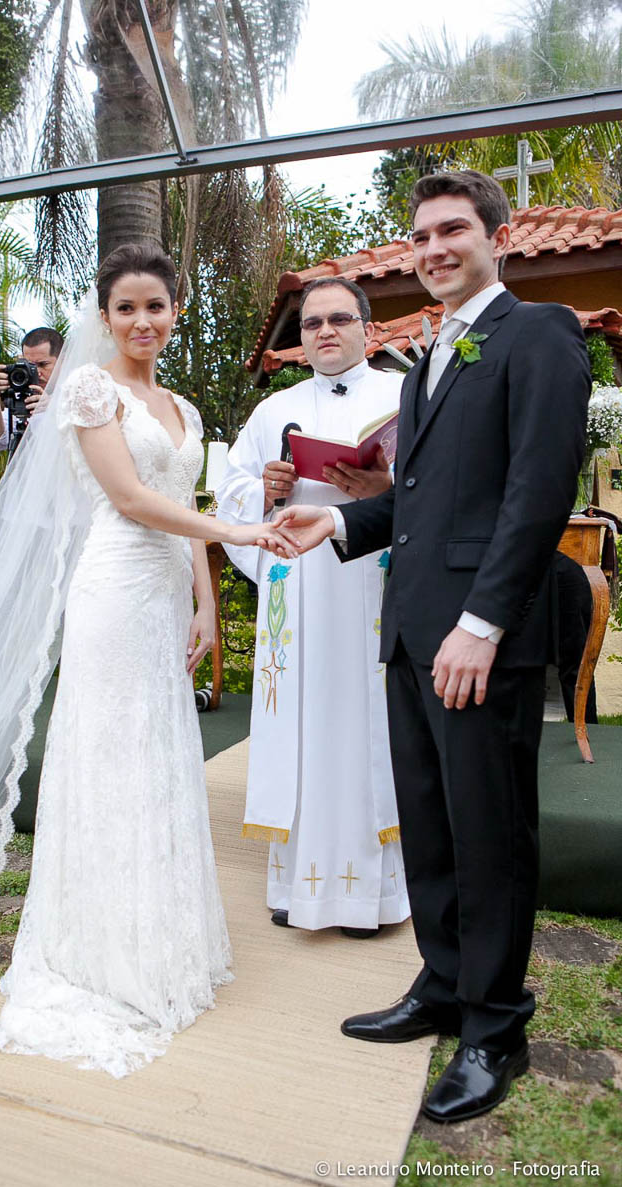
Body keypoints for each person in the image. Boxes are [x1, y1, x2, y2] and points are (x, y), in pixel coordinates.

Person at [0, 245, 297, 1078]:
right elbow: (129, 499)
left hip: (164, 594)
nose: (143, 322)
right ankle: (102, 951)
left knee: (160, 758)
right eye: (127, 309)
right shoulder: (89, 390)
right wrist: (240, 533)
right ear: (105, 316)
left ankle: (163, 937)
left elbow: (180, 503)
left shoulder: (180, 403)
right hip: (113, 591)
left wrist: (205, 600)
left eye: (157, 306)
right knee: (112, 758)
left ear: (176, 309)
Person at [271, 171, 590, 1123]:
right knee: (434, 824)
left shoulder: (539, 334)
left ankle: (497, 1028)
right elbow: (417, 502)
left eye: (454, 229)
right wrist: (333, 526)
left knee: (490, 835)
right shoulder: (429, 362)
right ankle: (444, 985)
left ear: (497, 237)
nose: (435, 247)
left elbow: (537, 491)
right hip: (410, 632)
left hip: (476, 638)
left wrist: (482, 625)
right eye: (422, 236)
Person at [215, 279, 410, 936]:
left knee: (369, 728)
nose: (324, 331)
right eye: (311, 324)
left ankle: (371, 898)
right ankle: (294, 886)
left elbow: (436, 485)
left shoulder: (403, 397)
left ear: (367, 328)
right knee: (300, 723)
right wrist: (264, 488)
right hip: (297, 594)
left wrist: (384, 485)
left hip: (371, 587)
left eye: (338, 319)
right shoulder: (276, 408)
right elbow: (232, 489)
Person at [0, 327, 64, 451]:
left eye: (42, 364)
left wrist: (54, 407)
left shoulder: (78, 392)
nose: (37, 373)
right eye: (30, 366)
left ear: (62, 360)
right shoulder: (22, 397)